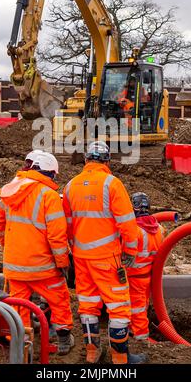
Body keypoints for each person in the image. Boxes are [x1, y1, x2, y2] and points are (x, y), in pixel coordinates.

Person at [63, 141, 146, 364]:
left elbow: (68, 226)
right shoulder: (112, 184)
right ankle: (120, 358)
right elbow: (128, 224)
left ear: (87, 159)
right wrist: (130, 250)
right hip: (107, 258)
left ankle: (92, 353)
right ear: (107, 161)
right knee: (118, 306)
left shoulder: (71, 186)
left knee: (88, 305)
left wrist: (75, 250)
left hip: (81, 259)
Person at [0, 150, 74, 355]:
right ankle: (64, 338)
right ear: (51, 174)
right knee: (59, 298)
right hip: (43, 267)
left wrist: (7, 245)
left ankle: (21, 343)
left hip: (15, 265)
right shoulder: (49, 196)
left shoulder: (11, 191)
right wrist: (63, 263)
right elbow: (57, 236)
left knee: (19, 305)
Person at [126, 193, 164, 341]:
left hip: (133, 277)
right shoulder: (159, 229)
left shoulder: (133, 230)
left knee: (137, 309)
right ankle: (132, 331)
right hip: (147, 277)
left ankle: (141, 338)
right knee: (142, 307)